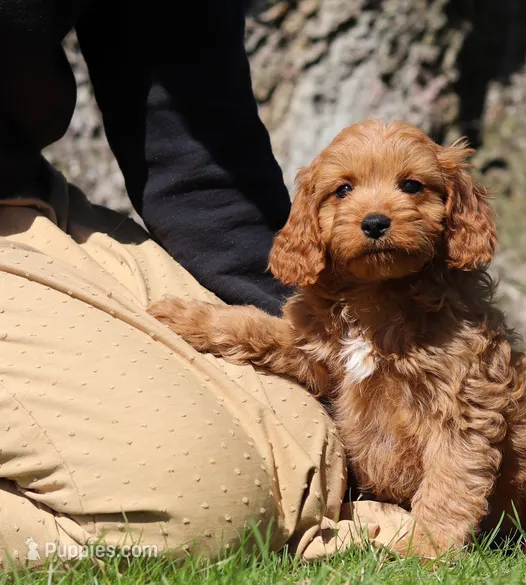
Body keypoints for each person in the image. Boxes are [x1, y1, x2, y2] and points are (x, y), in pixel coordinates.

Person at [0, 0, 410, 566]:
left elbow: (195, 149)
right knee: (193, 513)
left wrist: (322, 337)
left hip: (27, 199)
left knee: (308, 451)